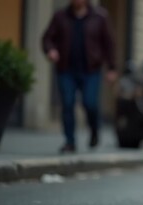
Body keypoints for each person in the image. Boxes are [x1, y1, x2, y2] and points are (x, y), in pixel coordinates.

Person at [41, 0, 118, 154]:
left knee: (90, 103)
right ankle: (70, 141)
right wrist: (50, 50)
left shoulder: (99, 17)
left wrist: (111, 68)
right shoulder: (60, 16)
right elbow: (47, 38)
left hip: (91, 70)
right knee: (67, 104)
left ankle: (94, 130)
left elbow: (109, 44)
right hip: (66, 69)